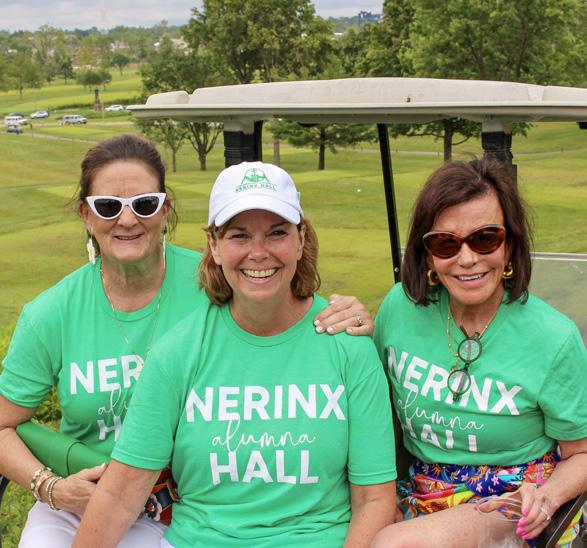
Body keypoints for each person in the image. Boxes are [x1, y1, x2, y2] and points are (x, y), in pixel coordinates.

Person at [0, 136, 373, 547]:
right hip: (87, 491)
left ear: (165, 209)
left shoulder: (220, 286)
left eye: (145, 204)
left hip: (178, 498)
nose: (127, 220)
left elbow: (282, 312)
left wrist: (351, 318)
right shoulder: (52, 313)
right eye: (108, 206)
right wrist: (50, 486)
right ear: (86, 215)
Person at [372, 159, 587, 547]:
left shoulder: (552, 338)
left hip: (511, 496)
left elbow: (582, 452)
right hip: (419, 487)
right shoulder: (399, 309)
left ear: (510, 246)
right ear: (428, 255)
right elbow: (375, 408)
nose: (467, 258)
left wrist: (548, 497)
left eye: (485, 238)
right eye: (445, 243)